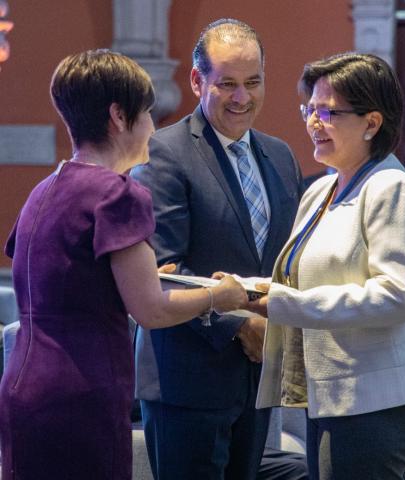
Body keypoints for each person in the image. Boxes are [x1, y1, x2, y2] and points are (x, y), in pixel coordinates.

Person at [0, 49, 248, 480]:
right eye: (148, 113)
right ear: (119, 115)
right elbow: (150, 311)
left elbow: (70, 282)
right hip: (83, 392)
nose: (153, 127)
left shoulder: (43, 188)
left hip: (22, 386)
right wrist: (219, 295)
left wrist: (148, 279)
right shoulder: (117, 193)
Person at [248, 52, 405, 480]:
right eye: (309, 109)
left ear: (372, 123)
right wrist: (245, 289)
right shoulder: (320, 190)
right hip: (334, 394)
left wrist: (284, 303)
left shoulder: (393, 190)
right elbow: (305, 280)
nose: (312, 123)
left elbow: (399, 296)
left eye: (328, 112)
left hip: (379, 399)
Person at [131, 18, 304, 480]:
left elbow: (285, 260)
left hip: (257, 376)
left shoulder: (281, 155)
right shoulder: (161, 153)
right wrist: (238, 324)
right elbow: (164, 268)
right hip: (186, 380)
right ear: (196, 80)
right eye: (226, 84)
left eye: (253, 82)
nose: (241, 97)